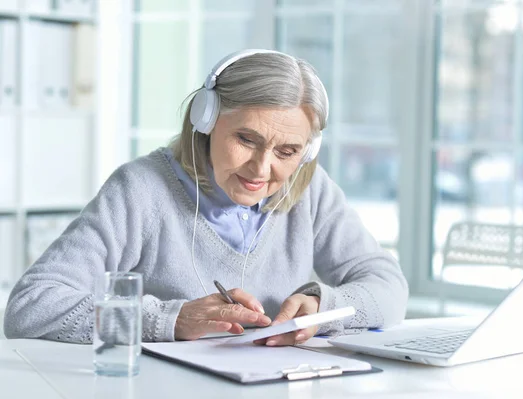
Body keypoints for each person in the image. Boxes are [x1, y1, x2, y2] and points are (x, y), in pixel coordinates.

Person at [4, 49, 409, 345]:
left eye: (287, 152)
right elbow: (31, 308)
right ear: (205, 120)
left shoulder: (311, 190)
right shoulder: (141, 189)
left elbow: (389, 288)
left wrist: (324, 304)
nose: (261, 169)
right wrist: (170, 319)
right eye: (246, 139)